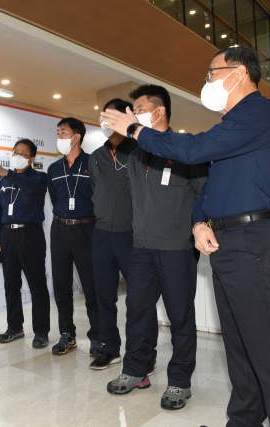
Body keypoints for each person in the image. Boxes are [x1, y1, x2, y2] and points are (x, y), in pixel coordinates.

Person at [101, 46, 270, 427]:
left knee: (265, 347)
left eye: (213, 72)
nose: (208, 81)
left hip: (253, 240)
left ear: (240, 72)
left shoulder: (260, 112)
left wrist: (133, 129)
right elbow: (209, 189)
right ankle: (243, 419)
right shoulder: (235, 121)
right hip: (229, 241)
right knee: (240, 344)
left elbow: (194, 150)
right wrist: (199, 223)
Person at [106, 85, 208, 411]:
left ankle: (180, 380)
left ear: (159, 110)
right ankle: (135, 371)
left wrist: (197, 227)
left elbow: (203, 196)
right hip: (141, 248)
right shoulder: (134, 154)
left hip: (177, 249)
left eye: (138, 109)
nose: (134, 116)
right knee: (136, 311)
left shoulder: (186, 150)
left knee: (180, 316)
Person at [88, 98, 159, 373]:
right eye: (103, 117)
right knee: (104, 295)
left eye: (112, 116)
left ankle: (145, 352)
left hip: (133, 235)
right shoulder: (96, 156)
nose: (106, 122)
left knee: (140, 298)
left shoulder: (141, 151)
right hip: (102, 234)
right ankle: (109, 348)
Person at [0, 139, 50, 349]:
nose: (18, 155)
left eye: (23, 153)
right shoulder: (3, 182)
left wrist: (9, 174)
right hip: (8, 236)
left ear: (32, 158)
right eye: (15, 151)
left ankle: (41, 331)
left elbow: (32, 188)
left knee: (37, 285)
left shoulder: (39, 178)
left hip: (30, 235)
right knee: (11, 285)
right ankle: (15, 327)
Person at [47, 117, 99, 356]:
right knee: (61, 285)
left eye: (64, 132)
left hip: (86, 229)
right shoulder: (53, 169)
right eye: (58, 132)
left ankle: (98, 336)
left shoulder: (94, 163)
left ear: (77, 137)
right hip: (59, 230)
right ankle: (67, 335)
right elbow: (55, 198)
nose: (59, 136)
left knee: (91, 285)